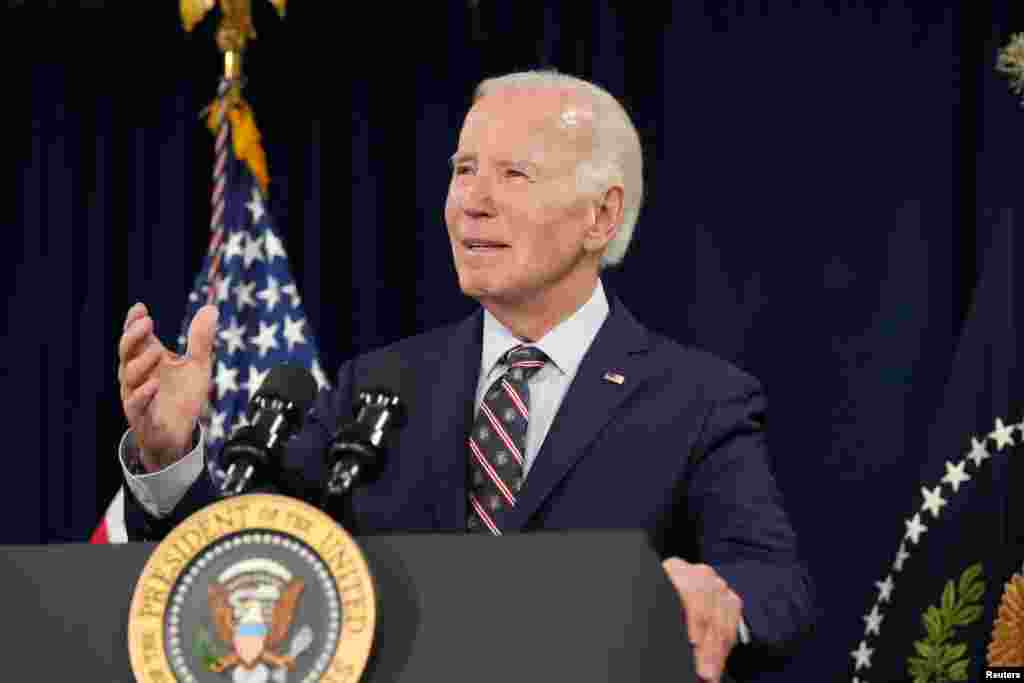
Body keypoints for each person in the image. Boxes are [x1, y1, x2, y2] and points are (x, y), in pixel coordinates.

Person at [116, 70, 813, 682]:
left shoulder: (697, 399)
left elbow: (776, 584)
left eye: (514, 175)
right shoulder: (377, 389)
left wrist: (718, 597)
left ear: (601, 215)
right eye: (463, 169)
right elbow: (240, 565)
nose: (472, 201)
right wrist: (171, 455)